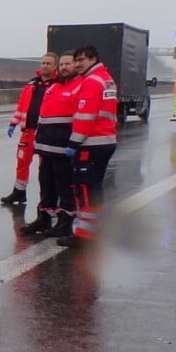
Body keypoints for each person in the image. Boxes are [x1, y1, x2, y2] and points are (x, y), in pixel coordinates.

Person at [60, 44, 118, 247]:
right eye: (76, 60)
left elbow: (86, 116)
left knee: (84, 189)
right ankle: (95, 230)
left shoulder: (92, 81)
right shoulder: (106, 78)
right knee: (95, 188)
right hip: (106, 140)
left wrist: (73, 143)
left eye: (81, 60)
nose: (77, 64)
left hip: (91, 143)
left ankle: (84, 235)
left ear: (93, 59)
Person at [20, 52, 82, 237]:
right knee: (46, 184)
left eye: (67, 64)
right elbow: (43, 114)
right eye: (61, 64)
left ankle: (65, 221)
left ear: (76, 65)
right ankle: (44, 217)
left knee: (65, 186)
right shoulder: (53, 87)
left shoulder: (80, 86)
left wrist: (75, 143)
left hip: (65, 148)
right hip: (46, 147)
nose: (64, 67)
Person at [1, 53, 57, 207]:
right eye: (43, 63)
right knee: (22, 162)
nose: (45, 66)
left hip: (46, 133)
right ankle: (19, 192)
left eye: (48, 63)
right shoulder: (32, 84)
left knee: (45, 168)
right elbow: (22, 105)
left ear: (55, 66)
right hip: (28, 131)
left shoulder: (58, 84)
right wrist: (14, 122)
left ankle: (48, 199)